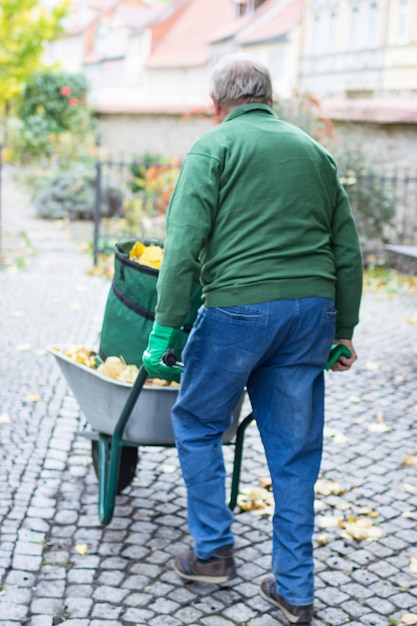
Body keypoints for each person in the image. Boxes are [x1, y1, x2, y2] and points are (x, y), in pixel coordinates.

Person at [143, 53, 362, 625]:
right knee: (294, 454)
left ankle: (212, 552)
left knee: (196, 422)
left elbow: (184, 244)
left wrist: (165, 329)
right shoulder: (315, 153)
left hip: (238, 312)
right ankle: (294, 589)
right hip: (310, 316)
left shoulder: (213, 149)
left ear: (218, 104)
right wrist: (344, 331)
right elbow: (348, 253)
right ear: (269, 98)